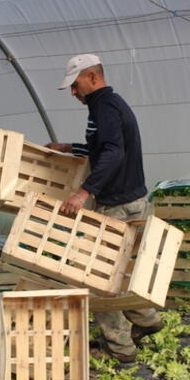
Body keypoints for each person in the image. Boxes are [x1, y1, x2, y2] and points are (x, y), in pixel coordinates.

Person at [47, 53, 164, 363]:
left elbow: (113, 153)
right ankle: (148, 321)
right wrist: (68, 148)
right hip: (132, 201)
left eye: (76, 85)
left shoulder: (104, 107)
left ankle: (120, 348)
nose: (74, 93)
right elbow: (105, 148)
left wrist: (83, 192)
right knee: (121, 271)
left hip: (117, 206)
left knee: (96, 280)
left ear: (94, 78)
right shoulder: (109, 106)